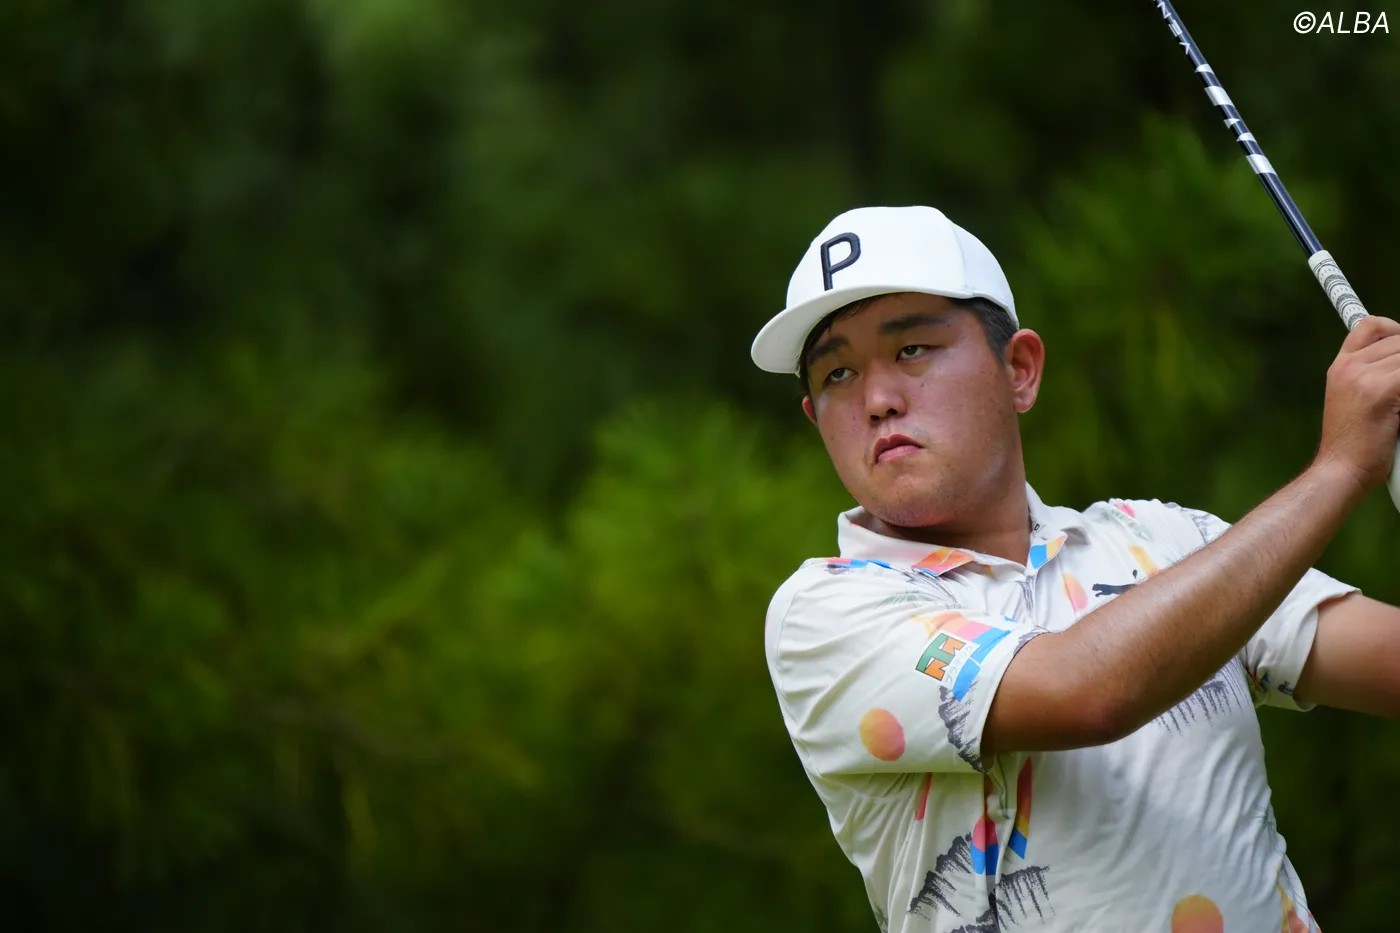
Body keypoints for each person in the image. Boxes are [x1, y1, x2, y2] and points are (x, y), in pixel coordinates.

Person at [750, 205, 1400, 932]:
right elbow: (1088, 692)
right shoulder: (822, 612)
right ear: (815, 417)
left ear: (1019, 370)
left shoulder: (1165, 538)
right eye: (838, 373)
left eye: (912, 350)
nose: (877, 400)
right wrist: (1342, 467)